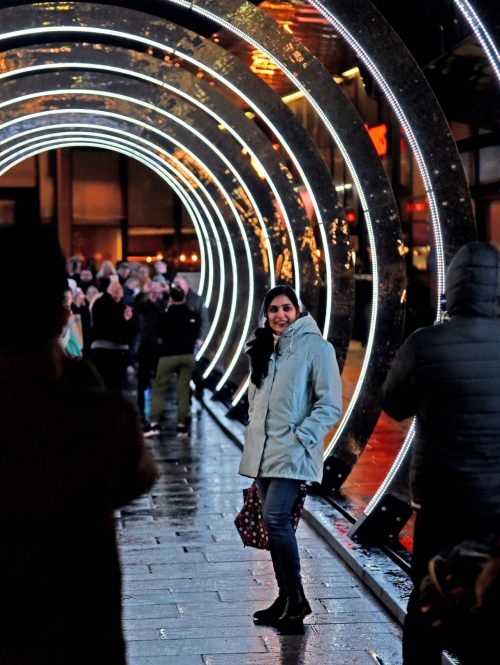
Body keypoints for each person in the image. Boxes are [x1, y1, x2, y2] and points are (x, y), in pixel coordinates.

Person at [0, 225, 157, 665]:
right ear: (58, 314)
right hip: (79, 635)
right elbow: (136, 475)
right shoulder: (91, 413)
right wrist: (85, 381)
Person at [379, 241, 500, 665]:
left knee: (429, 598)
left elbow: (394, 405)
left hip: (440, 499)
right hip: (496, 504)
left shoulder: (425, 343)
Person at [239, 285, 342, 629]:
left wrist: (302, 437)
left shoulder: (317, 348)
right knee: (274, 523)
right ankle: (286, 597)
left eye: (286, 308)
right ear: (265, 314)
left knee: (277, 518)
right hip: (264, 449)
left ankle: (296, 598)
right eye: (273, 310)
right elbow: (256, 398)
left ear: (298, 310)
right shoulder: (264, 348)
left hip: (293, 450)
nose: (280, 315)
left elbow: (329, 405)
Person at [144, 286, 200, 438]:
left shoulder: (165, 316)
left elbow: (157, 333)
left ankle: (154, 424)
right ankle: (181, 427)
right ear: (184, 298)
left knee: (159, 389)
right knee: (183, 391)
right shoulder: (193, 314)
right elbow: (195, 333)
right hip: (187, 356)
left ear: (170, 299)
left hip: (168, 356)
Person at [90, 281, 137, 391]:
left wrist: (127, 320)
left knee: (116, 386)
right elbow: (107, 325)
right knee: (105, 385)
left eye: (119, 289)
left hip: (119, 352)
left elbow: (132, 329)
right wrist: (124, 320)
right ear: (108, 290)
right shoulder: (101, 304)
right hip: (104, 351)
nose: (117, 291)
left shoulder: (125, 308)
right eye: (114, 288)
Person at [173, 274, 209, 399]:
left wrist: (200, 337)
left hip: (191, 339)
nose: (177, 286)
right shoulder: (172, 297)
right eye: (175, 284)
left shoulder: (196, 299)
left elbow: (204, 319)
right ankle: (186, 392)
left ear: (186, 285)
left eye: (179, 284)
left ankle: (199, 385)